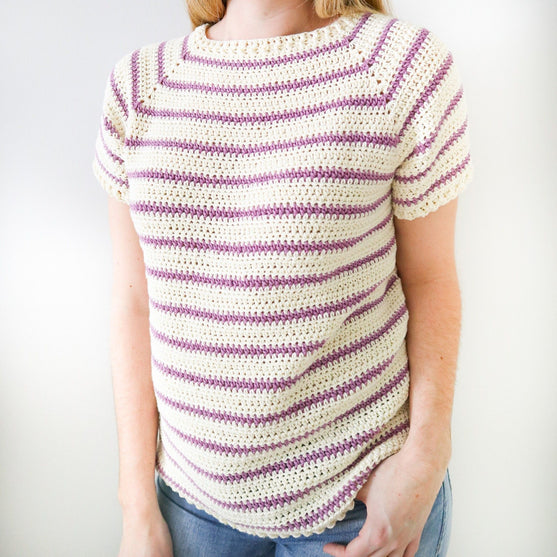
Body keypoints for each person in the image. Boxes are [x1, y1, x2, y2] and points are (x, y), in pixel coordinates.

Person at [91, 0, 473, 555]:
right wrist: (135, 506)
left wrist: (427, 459)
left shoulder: (400, 67)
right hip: (188, 505)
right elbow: (134, 302)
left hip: (360, 503)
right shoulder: (138, 85)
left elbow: (431, 278)